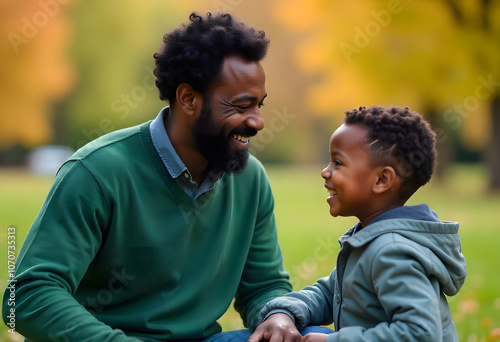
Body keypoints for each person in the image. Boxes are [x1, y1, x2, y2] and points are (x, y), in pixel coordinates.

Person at [2, 12, 294, 342]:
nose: (258, 122)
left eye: (260, 106)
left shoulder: (249, 180)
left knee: (306, 335)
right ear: (188, 98)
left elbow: (264, 285)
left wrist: (278, 315)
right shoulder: (96, 172)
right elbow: (27, 295)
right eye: (242, 106)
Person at [248, 105, 467, 342]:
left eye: (338, 163)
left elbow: (420, 334)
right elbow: (327, 293)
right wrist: (284, 312)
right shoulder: (370, 240)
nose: (324, 172)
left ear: (382, 179)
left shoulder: (392, 252)